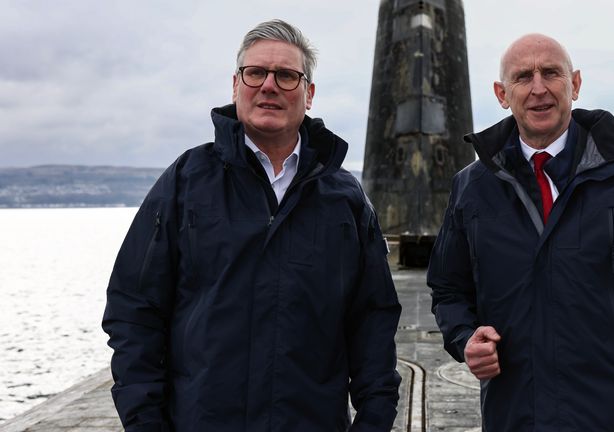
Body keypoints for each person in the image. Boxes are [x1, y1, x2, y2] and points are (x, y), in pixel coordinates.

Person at [102, 19, 401, 432]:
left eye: (287, 75)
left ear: (309, 94)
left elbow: (372, 320)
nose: (269, 86)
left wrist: (373, 421)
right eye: (256, 72)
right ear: (236, 85)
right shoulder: (186, 181)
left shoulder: (345, 199)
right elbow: (134, 310)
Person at [427, 33, 614, 431]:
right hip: (515, 417)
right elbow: (448, 287)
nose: (539, 88)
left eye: (551, 73)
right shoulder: (472, 187)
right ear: (502, 94)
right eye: (523, 77)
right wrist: (465, 337)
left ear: (574, 83)